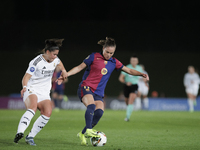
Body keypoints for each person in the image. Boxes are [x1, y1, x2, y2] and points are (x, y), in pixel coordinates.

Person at [56, 37, 149, 146]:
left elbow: (128, 70)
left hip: (98, 93)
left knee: (99, 113)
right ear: (103, 48)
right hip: (86, 87)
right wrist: (67, 74)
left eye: (111, 53)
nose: (109, 54)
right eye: (107, 52)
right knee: (91, 106)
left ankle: (82, 133)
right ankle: (89, 130)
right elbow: (79, 67)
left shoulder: (114, 62)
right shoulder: (93, 57)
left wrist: (141, 74)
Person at [14, 38, 68, 146]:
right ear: (47, 52)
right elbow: (25, 77)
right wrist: (24, 87)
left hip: (44, 93)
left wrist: (64, 71)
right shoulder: (36, 62)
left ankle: (30, 137)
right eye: (54, 54)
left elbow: (60, 64)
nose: (55, 56)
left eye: (57, 54)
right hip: (31, 89)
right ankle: (20, 132)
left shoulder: (55, 60)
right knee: (32, 108)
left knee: (47, 113)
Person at [118, 55, 143, 121]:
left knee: (131, 100)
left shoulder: (139, 68)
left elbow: (142, 78)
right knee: (127, 101)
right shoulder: (127, 67)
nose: (133, 62)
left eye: (135, 61)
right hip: (127, 86)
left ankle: (127, 117)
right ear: (130, 61)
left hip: (134, 86)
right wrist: (126, 82)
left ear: (137, 61)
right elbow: (120, 78)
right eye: (132, 60)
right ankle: (129, 108)